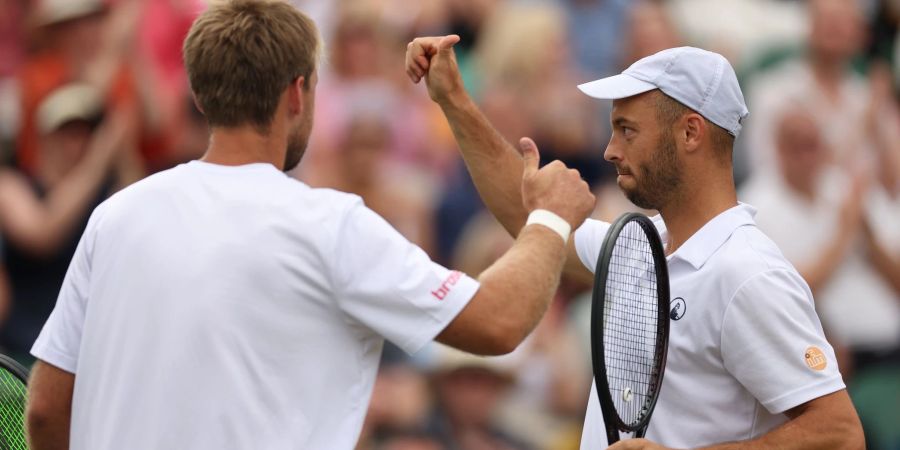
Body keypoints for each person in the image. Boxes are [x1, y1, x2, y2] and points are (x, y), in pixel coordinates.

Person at [24, 2, 596, 450]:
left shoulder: (115, 215)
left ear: (199, 94)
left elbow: (47, 409)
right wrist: (550, 218)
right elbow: (497, 323)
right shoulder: (328, 224)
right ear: (297, 93)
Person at [406, 36, 865, 449]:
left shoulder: (747, 275)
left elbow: (840, 433)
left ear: (690, 133)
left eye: (627, 129)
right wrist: (454, 100)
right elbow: (528, 216)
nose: (609, 149)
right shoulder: (635, 248)